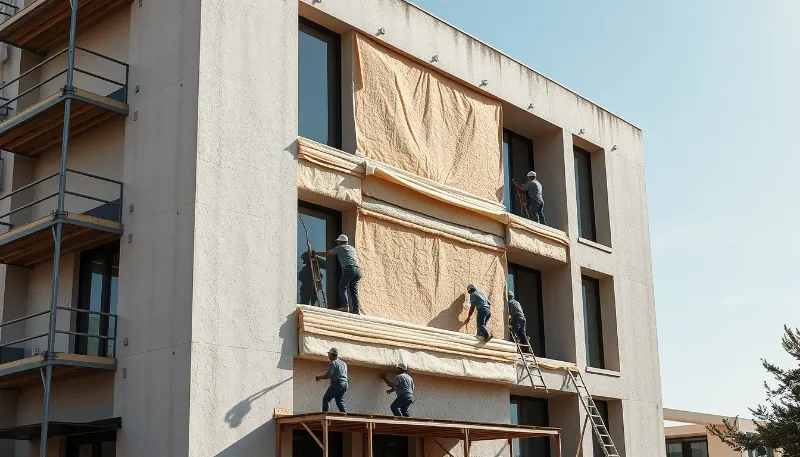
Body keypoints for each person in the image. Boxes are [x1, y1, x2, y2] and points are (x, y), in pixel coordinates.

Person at [314, 234, 362, 314]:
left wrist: (316, 253)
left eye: (338, 241)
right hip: (358, 270)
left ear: (340, 241)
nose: (337, 243)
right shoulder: (352, 248)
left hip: (349, 269)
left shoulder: (340, 248)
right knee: (354, 290)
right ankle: (356, 310)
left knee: (342, 286)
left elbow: (328, 253)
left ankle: (345, 306)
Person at [315, 348, 349, 412]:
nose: (328, 356)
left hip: (337, 384)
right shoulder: (343, 363)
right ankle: (345, 416)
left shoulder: (333, 363)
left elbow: (327, 375)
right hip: (345, 384)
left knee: (326, 399)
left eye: (329, 354)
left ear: (331, 355)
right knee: (339, 401)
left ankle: (325, 416)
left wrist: (318, 377)